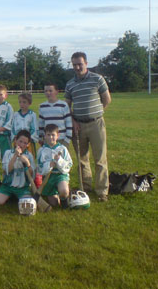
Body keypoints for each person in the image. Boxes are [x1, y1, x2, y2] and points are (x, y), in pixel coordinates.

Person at [65, 52, 111, 202]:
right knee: (82, 159)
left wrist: (97, 113)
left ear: (86, 63)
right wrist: (72, 120)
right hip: (78, 125)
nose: (77, 67)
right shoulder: (70, 84)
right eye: (74, 65)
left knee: (100, 159)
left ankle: (102, 191)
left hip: (96, 124)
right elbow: (67, 106)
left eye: (80, 64)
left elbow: (107, 99)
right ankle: (86, 187)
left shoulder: (97, 79)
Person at [0, 130, 35, 207]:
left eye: (25, 143)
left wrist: (27, 163)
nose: (22, 145)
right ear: (15, 140)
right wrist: (15, 156)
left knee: (27, 205)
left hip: (22, 187)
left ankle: (16, 197)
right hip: (7, 186)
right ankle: (11, 196)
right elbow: (7, 170)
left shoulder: (29, 155)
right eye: (20, 141)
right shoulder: (8, 153)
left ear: (28, 144)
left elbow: (32, 174)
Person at [37, 124, 72, 208]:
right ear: (44, 136)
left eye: (53, 135)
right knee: (54, 204)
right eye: (48, 135)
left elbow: (69, 165)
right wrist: (49, 165)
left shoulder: (63, 149)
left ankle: (65, 202)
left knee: (64, 191)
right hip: (48, 177)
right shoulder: (41, 151)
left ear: (57, 136)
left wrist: (59, 161)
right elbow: (39, 168)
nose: (50, 137)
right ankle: (56, 195)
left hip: (60, 175)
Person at [38, 82, 72, 148]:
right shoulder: (42, 106)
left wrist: (67, 140)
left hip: (61, 139)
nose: (48, 93)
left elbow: (69, 123)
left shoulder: (63, 105)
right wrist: (40, 137)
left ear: (57, 92)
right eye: (46, 91)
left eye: (50, 91)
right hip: (48, 139)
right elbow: (41, 124)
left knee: (61, 158)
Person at [11, 93, 39, 157]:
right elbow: (13, 128)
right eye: (20, 102)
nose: (21, 104)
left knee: (29, 157)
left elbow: (35, 128)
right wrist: (15, 137)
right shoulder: (16, 114)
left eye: (24, 102)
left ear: (29, 103)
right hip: (18, 141)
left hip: (28, 142)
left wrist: (30, 138)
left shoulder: (32, 115)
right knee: (17, 157)